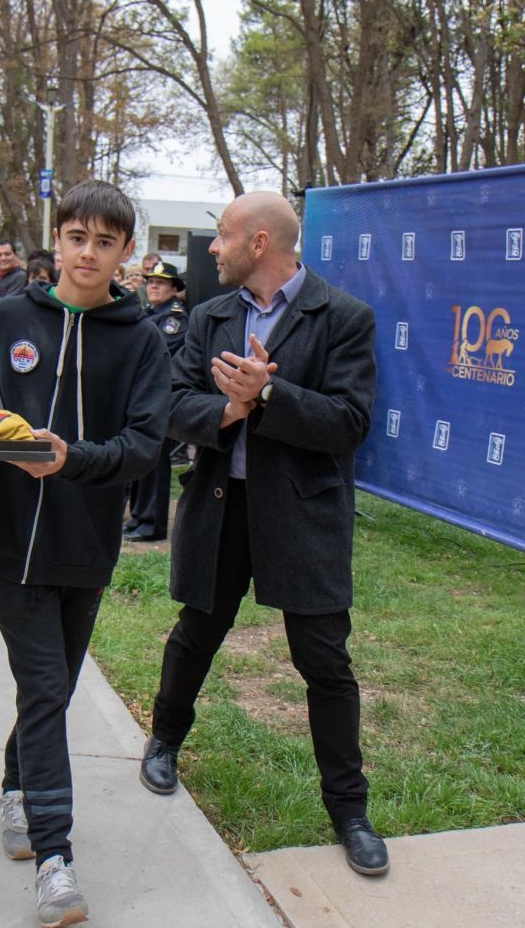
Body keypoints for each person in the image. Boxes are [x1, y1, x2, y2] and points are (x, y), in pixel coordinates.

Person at [138, 191, 386, 877]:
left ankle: (350, 811)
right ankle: (163, 741)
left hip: (303, 515)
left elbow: (349, 423)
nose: (213, 248)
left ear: (259, 243)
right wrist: (229, 408)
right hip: (222, 506)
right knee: (196, 633)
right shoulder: (210, 316)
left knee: (325, 663)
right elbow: (173, 404)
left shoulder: (344, 317)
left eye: (222, 235)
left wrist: (270, 395)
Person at [0, 180, 171, 928]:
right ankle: (55, 858)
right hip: (11, 545)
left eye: (105, 242)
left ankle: (15, 788)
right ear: (57, 239)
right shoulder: (9, 318)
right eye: (77, 237)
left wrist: (71, 459)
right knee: (47, 685)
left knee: (46, 690)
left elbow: (145, 445)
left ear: (126, 253)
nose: (88, 253)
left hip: (86, 546)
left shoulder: (141, 339)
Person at [124, 261, 188, 542]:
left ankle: (151, 524)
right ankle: (139, 517)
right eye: (150, 282)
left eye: (160, 283)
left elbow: (153, 352)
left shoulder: (175, 318)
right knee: (141, 457)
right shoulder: (152, 313)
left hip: (160, 398)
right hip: (143, 395)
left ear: (174, 289)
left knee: (155, 461)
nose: (153, 286)